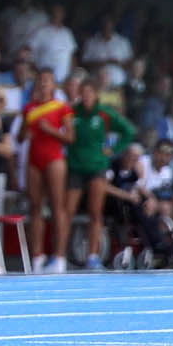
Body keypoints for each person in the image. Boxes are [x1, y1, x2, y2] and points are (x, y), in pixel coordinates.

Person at [66, 74, 136, 268]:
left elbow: (128, 131)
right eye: (83, 93)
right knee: (67, 211)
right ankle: (60, 255)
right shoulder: (72, 113)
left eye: (90, 93)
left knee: (95, 212)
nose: (86, 96)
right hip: (75, 167)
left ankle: (92, 256)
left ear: (96, 95)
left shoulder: (104, 114)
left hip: (97, 167)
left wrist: (112, 150)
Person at [19, 69, 72, 273]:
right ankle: (37, 257)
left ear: (53, 85)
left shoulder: (61, 107)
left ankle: (59, 256)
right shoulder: (29, 108)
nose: (43, 84)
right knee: (35, 207)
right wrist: (25, 132)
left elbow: (70, 138)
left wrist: (50, 130)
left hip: (54, 159)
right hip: (34, 159)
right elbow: (20, 137)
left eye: (47, 81)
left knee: (58, 207)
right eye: (40, 80)